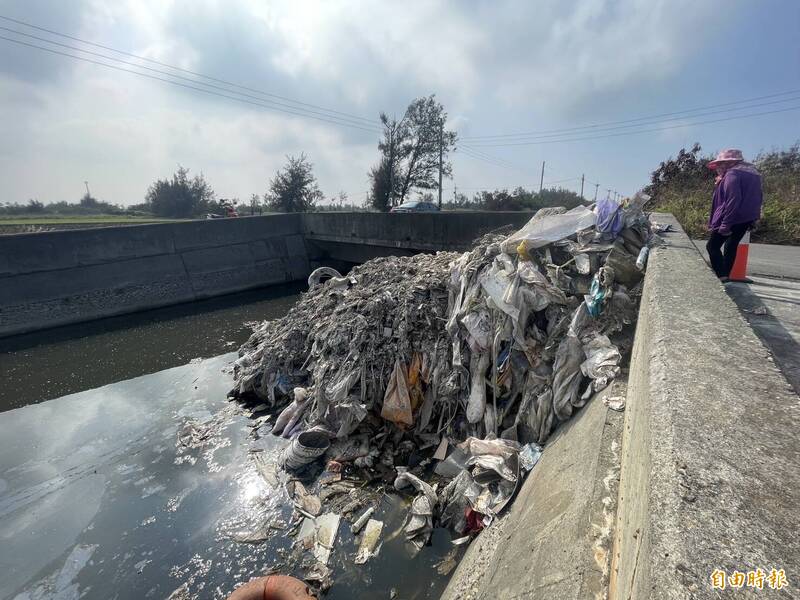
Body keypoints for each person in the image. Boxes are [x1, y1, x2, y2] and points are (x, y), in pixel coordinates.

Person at [705, 148, 763, 281]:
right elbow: (758, 197)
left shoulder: (732, 174)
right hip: (746, 218)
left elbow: (733, 199)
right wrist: (755, 217)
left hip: (732, 217)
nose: (718, 167)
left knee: (712, 246)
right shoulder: (753, 174)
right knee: (731, 246)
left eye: (721, 164)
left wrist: (725, 224)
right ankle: (725, 277)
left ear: (729, 163)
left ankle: (722, 276)